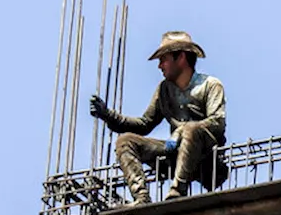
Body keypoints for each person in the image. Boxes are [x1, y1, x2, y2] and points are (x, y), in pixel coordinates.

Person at [89, 30, 227, 205]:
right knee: (125, 141)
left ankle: (177, 192)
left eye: (164, 59)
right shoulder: (164, 90)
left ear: (181, 57)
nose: (160, 66)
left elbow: (217, 122)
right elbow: (144, 124)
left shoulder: (210, 85)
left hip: (206, 157)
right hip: (174, 155)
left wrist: (182, 131)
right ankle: (141, 197)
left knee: (191, 130)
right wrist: (108, 115)